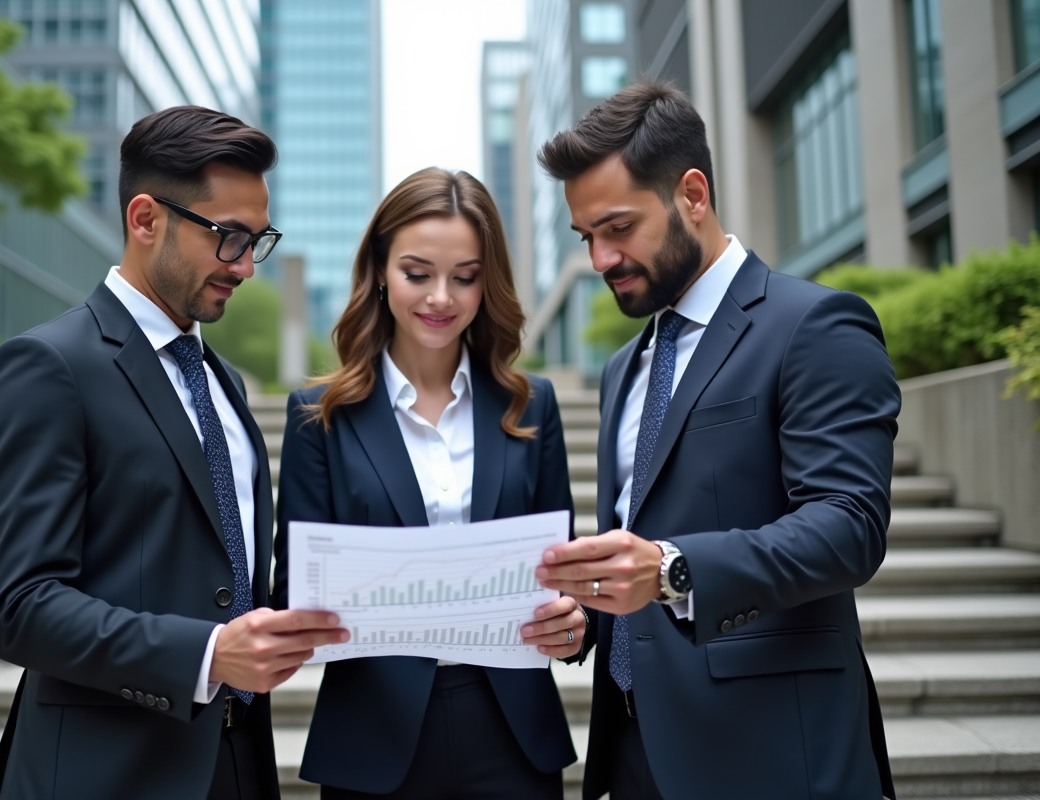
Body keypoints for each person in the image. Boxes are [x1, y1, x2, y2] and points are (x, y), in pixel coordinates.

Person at [0, 106, 349, 800]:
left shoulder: (222, 382)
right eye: (229, 238)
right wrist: (205, 654)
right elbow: (22, 605)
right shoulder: (46, 368)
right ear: (146, 219)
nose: (244, 268)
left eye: (256, 242)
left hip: (236, 762)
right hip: (104, 772)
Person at [533, 82, 900, 800]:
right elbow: (633, 549)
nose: (600, 258)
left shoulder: (815, 325)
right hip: (634, 757)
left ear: (692, 195)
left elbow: (850, 526)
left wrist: (672, 569)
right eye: (586, 239)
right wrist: (581, 614)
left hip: (774, 759)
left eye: (617, 228)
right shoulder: (623, 369)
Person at [273, 167, 586, 799]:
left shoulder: (533, 406)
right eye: (417, 273)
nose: (441, 297)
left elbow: (565, 577)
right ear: (381, 273)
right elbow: (292, 587)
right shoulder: (319, 414)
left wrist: (575, 623)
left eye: (465, 277)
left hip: (511, 728)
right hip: (373, 732)